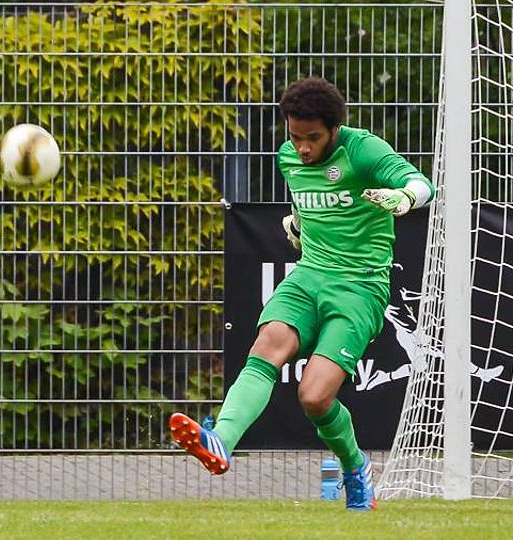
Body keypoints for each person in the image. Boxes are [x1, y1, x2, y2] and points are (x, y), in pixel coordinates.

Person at [169, 77, 435, 512]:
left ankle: (355, 467)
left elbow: (422, 183)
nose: (303, 148)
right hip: (308, 276)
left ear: (333, 129)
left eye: (313, 138)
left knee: (314, 397)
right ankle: (221, 440)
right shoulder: (287, 156)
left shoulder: (363, 150)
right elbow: (307, 201)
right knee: (266, 345)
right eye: (295, 136)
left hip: (359, 287)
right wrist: (297, 225)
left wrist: (403, 197)